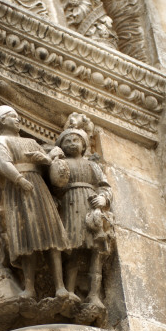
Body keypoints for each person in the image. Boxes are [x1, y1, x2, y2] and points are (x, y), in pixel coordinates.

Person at [0, 105, 71, 300]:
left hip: (38, 185)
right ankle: (29, 287)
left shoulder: (30, 141)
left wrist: (49, 158)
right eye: (12, 117)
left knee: (52, 233)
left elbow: (47, 163)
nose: (18, 120)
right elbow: (3, 164)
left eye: (18, 116)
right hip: (18, 188)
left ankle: (61, 286)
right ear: (1, 121)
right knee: (25, 235)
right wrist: (18, 179)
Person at [54, 113, 114, 313]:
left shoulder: (92, 165)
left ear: (84, 145)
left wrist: (103, 199)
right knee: (72, 250)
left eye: (76, 140)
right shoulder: (64, 164)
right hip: (70, 208)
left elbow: (105, 187)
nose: (72, 143)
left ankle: (94, 293)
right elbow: (56, 186)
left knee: (95, 252)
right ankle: (70, 290)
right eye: (68, 141)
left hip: (90, 209)